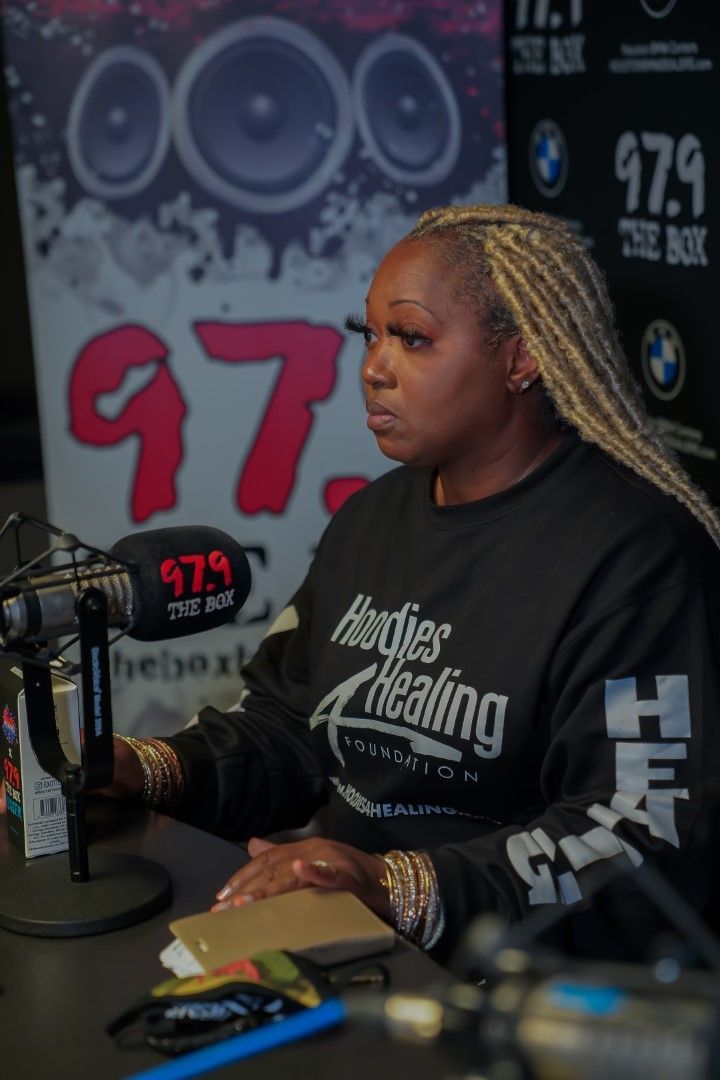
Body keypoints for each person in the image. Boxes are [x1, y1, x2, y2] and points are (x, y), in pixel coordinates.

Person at [10, 204, 720, 963]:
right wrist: (146, 770)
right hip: (348, 942)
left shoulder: (635, 558)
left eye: (411, 338)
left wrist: (398, 886)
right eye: (369, 334)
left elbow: (638, 840)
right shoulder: (369, 519)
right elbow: (288, 729)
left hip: (515, 984)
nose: (373, 369)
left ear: (521, 359)